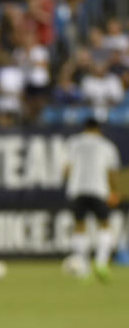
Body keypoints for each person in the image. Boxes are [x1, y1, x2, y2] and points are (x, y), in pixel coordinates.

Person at [63, 118, 122, 281]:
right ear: (98, 129)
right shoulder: (107, 145)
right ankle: (101, 262)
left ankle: (84, 268)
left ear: (85, 128)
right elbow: (111, 173)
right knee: (104, 225)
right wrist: (114, 192)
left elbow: (66, 170)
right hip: (98, 189)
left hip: (77, 191)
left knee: (79, 227)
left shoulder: (73, 143)